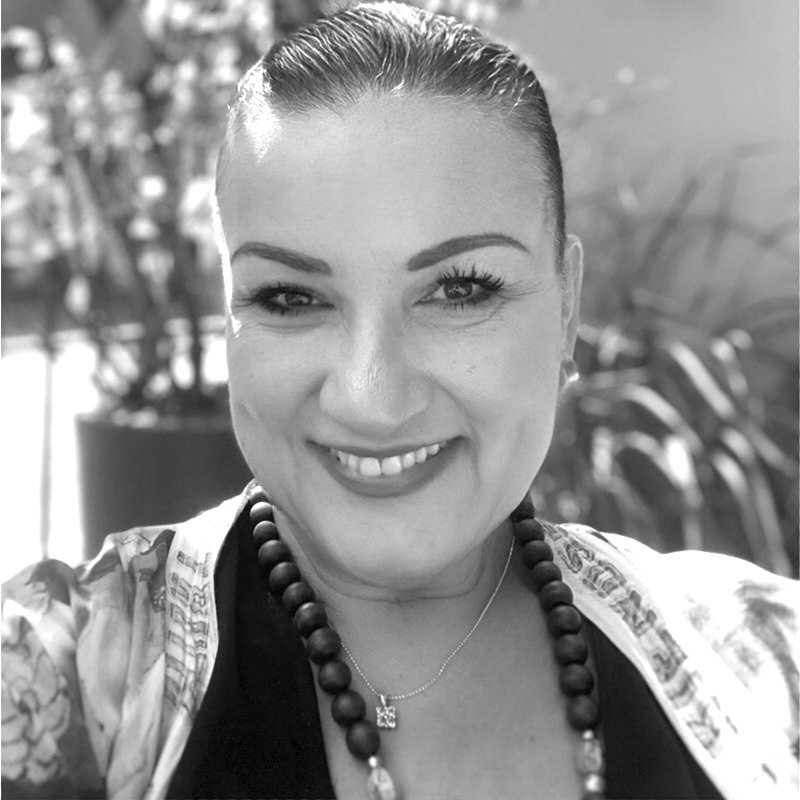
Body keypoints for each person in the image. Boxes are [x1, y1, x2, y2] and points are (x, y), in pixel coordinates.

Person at [2, 3, 797, 799]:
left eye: (459, 290)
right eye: (289, 298)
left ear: (567, 309)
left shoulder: (768, 675)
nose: (371, 398)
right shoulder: (51, 687)